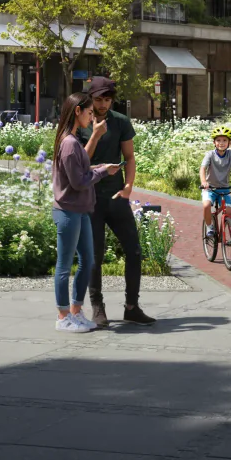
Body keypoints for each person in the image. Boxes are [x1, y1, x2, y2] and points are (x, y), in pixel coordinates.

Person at [82, 75, 154, 329]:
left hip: (115, 196)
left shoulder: (121, 121)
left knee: (134, 250)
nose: (103, 105)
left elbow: (130, 156)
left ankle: (132, 307)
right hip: (88, 198)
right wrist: (95, 135)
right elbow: (78, 162)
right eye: (99, 99)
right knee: (95, 255)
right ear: (90, 98)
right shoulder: (80, 122)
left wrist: (128, 187)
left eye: (108, 99)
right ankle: (97, 307)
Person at [50, 93, 119, 332]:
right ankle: (62, 317)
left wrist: (99, 167)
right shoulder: (68, 143)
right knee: (64, 265)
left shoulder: (73, 140)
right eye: (90, 112)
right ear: (77, 111)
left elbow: (80, 170)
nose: (93, 117)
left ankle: (76, 311)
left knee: (88, 260)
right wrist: (101, 173)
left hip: (80, 210)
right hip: (68, 211)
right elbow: (78, 182)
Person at [201, 126, 231, 236]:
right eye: (218, 140)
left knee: (228, 210)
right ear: (214, 142)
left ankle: (230, 229)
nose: (221, 143)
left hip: (224, 188)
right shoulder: (210, 155)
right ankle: (209, 226)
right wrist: (203, 182)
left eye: (224, 140)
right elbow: (203, 169)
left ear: (229, 143)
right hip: (210, 188)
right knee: (206, 206)